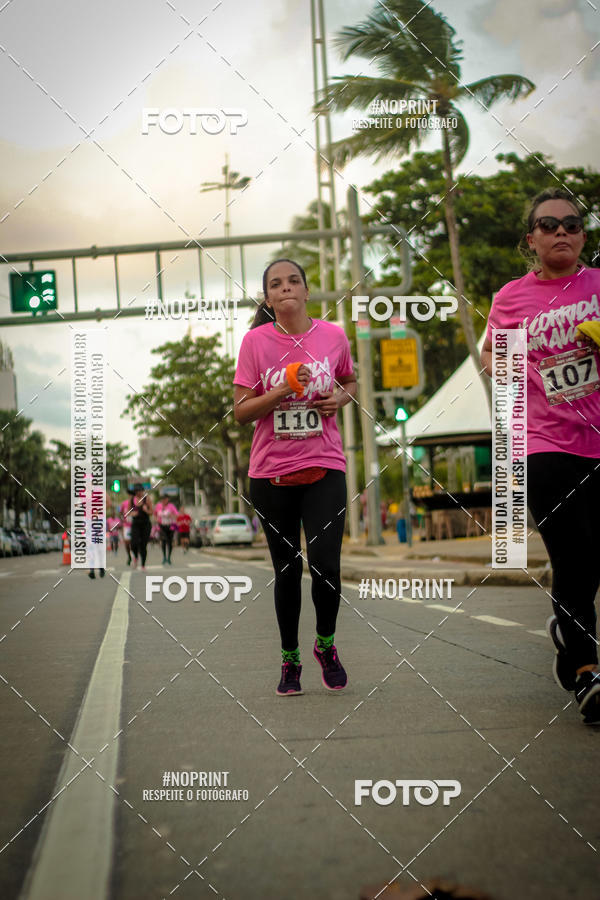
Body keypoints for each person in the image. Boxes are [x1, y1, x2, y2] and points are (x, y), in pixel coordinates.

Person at [481, 188, 600, 724]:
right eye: (549, 225)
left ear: (582, 236)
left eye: (572, 225)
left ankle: (567, 631)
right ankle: (584, 670)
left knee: (593, 557)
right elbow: (490, 354)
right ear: (531, 239)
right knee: (573, 557)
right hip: (544, 444)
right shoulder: (511, 298)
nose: (561, 233)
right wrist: (516, 369)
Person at [233, 258, 357, 696]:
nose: (285, 288)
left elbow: (350, 382)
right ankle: (290, 660)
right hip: (271, 474)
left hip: (325, 466)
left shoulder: (333, 335)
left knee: (325, 565)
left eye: (293, 281)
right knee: (288, 571)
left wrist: (337, 400)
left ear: (306, 291)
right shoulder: (254, 343)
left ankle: (326, 643)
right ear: (268, 298)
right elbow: (241, 412)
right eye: (275, 284)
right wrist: (283, 388)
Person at [128, 484, 153, 571]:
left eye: (140, 491)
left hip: (145, 524)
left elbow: (151, 512)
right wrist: (132, 513)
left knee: (143, 545)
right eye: (137, 491)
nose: (139, 493)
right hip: (136, 524)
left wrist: (147, 510)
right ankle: (135, 557)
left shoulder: (147, 499)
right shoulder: (131, 500)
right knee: (133, 543)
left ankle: (143, 565)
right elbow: (128, 512)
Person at [154, 493, 179, 564]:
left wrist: (172, 515)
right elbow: (155, 514)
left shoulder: (171, 506)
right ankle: (164, 556)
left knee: (169, 542)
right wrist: (156, 519)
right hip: (161, 526)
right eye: (163, 499)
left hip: (170, 526)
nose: (164, 500)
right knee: (164, 540)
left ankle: (169, 557)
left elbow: (177, 515)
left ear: (168, 499)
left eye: (165, 499)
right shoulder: (158, 506)